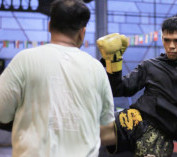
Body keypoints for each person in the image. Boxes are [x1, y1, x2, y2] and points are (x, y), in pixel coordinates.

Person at [0, 0, 116, 157]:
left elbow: (2, 113)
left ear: (49, 26)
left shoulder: (25, 60)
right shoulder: (96, 69)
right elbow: (107, 125)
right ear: (82, 32)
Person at [97, 15, 177, 157]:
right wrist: (113, 63)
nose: (171, 46)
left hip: (160, 136)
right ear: (162, 38)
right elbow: (119, 89)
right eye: (167, 40)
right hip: (134, 119)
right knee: (89, 132)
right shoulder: (150, 65)